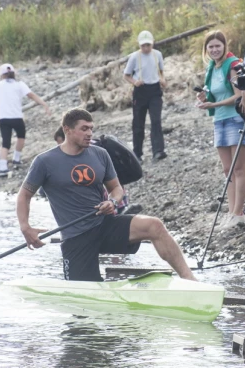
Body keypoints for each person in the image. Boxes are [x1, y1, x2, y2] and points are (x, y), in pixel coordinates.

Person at [16, 108, 196, 282]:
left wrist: (112, 201)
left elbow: (117, 188)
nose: (89, 133)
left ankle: (189, 279)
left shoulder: (100, 154)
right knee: (83, 298)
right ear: (67, 130)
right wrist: (26, 227)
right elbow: (24, 195)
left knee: (154, 225)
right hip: (76, 236)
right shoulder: (45, 161)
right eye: (84, 129)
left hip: (105, 225)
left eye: (91, 128)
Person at [196, 30, 245, 230]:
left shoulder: (232, 65)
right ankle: (231, 212)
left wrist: (213, 105)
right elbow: (214, 94)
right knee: (227, 170)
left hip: (235, 118)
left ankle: (239, 212)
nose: (214, 50)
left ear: (224, 46)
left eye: (217, 46)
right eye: (210, 47)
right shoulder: (212, 67)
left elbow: (239, 96)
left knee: (239, 168)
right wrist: (205, 99)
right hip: (219, 120)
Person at [0, 63, 51, 177]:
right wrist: (43, 103)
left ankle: (3, 167)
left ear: (1, 75)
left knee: (5, 142)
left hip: (4, 119)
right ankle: (16, 159)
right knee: (21, 137)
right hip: (17, 117)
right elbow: (31, 95)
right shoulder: (19, 85)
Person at [123, 30, 167, 163]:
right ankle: (137, 153)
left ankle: (158, 150)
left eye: (148, 45)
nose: (146, 48)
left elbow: (160, 71)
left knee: (156, 121)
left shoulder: (157, 55)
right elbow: (126, 75)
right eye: (143, 46)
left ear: (152, 44)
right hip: (140, 91)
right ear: (139, 45)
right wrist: (135, 82)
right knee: (138, 123)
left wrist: (163, 79)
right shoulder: (135, 57)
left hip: (154, 90)